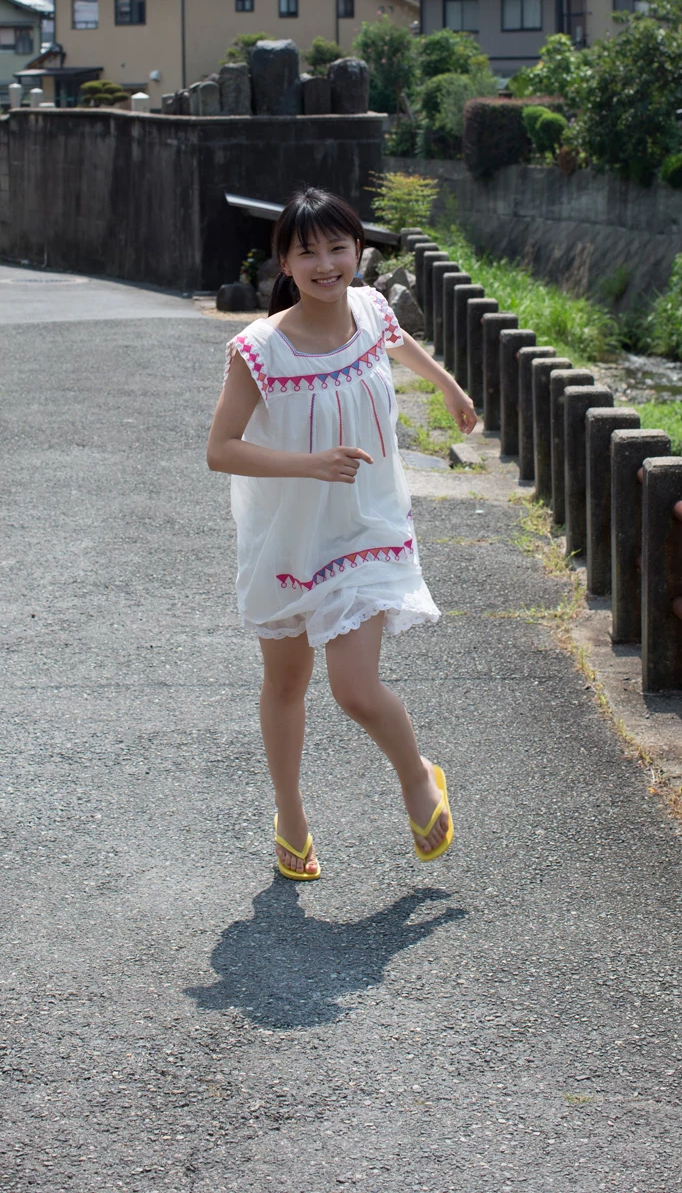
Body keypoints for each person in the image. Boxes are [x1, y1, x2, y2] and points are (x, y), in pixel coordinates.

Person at [206, 187, 476, 881]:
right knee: (286, 683)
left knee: (355, 688)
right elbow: (221, 449)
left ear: (359, 251)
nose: (327, 264)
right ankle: (290, 814)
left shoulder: (369, 307)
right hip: (287, 541)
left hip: (367, 529)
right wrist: (310, 465)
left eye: (339, 248)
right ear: (286, 264)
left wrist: (446, 385)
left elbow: (398, 339)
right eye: (309, 252)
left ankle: (418, 778)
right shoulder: (259, 350)